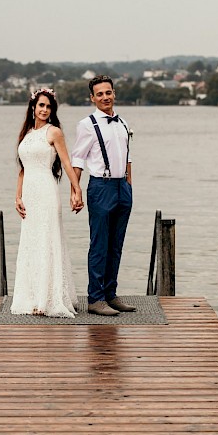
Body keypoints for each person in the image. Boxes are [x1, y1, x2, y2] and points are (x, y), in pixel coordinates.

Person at [11, 88, 84, 318]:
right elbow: (23, 169)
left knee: (47, 240)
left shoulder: (54, 133)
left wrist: (77, 190)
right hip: (30, 195)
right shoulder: (26, 134)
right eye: (41, 105)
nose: (44, 110)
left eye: (48, 106)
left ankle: (48, 299)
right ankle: (32, 296)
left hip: (47, 192)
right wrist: (17, 196)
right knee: (31, 242)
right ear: (33, 107)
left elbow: (66, 163)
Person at [70, 75, 136, 317]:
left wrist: (129, 187)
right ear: (92, 98)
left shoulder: (122, 123)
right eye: (100, 94)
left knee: (116, 245)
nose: (105, 97)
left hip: (122, 188)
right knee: (99, 245)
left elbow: (128, 158)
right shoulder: (87, 125)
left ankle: (110, 293)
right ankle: (96, 298)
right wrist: (75, 191)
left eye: (108, 92)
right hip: (100, 187)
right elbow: (77, 158)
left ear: (114, 93)